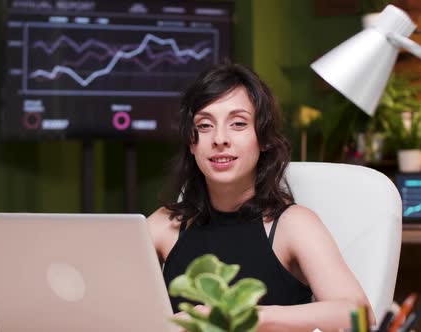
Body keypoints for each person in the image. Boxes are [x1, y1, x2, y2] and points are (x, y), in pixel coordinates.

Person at [147, 63, 373, 331]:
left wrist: (247, 316)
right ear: (192, 143)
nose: (220, 138)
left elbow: (359, 315)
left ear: (263, 138)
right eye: (205, 125)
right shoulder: (165, 225)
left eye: (238, 123)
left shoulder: (292, 224)